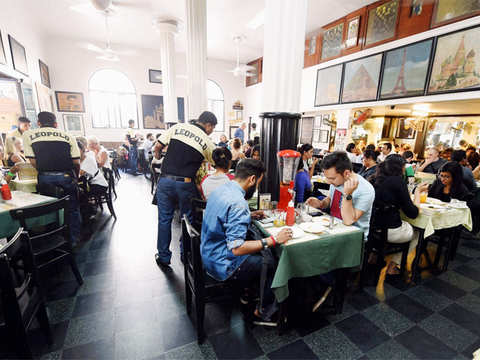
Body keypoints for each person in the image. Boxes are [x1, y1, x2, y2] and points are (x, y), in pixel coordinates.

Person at [201, 159, 292, 326]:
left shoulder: (222, 189)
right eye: (258, 183)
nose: (256, 187)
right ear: (251, 179)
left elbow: (222, 219)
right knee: (272, 261)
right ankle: (263, 311)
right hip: (222, 263)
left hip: (208, 252)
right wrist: (273, 240)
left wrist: (249, 215)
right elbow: (236, 248)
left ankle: (249, 292)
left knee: (260, 250)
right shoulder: (238, 203)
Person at [153, 111, 217, 267]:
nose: (212, 131)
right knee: (187, 220)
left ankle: (164, 257)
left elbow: (158, 145)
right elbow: (216, 163)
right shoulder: (207, 142)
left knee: (164, 219)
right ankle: (185, 253)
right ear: (208, 125)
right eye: (213, 128)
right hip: (185, 184)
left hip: (166, 181)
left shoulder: (178, 127)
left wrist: (159, 156)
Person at [23, 111, 82, 245]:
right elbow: (76, 163)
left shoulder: (29, 135)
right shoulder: (68, 135)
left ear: (38, 123)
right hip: (66, 176)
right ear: (56, 124)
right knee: (72, 208)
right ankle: (73, 240)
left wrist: (45, 171)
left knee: (50, 209)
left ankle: (53, 240)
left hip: (45, 177)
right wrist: (75, 178)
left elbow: (32, 161)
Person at [370, 155, 428, 275]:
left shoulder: (374, 178)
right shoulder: (397, 181)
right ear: (400, 168)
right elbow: (413, 213)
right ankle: (394, 265)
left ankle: (373, 257)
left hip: (371, 228)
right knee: (419, 230)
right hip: (389, 231)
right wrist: (417, 192)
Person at [306, 151, 375, 238]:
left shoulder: (365, 189)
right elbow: (330, 199)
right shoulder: (336, 182)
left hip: (353, 237)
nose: (328, 181)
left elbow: (348, 221)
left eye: (332, 178)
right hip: (332, 228)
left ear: (346, 173)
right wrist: (321, 203)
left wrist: (347, 194)